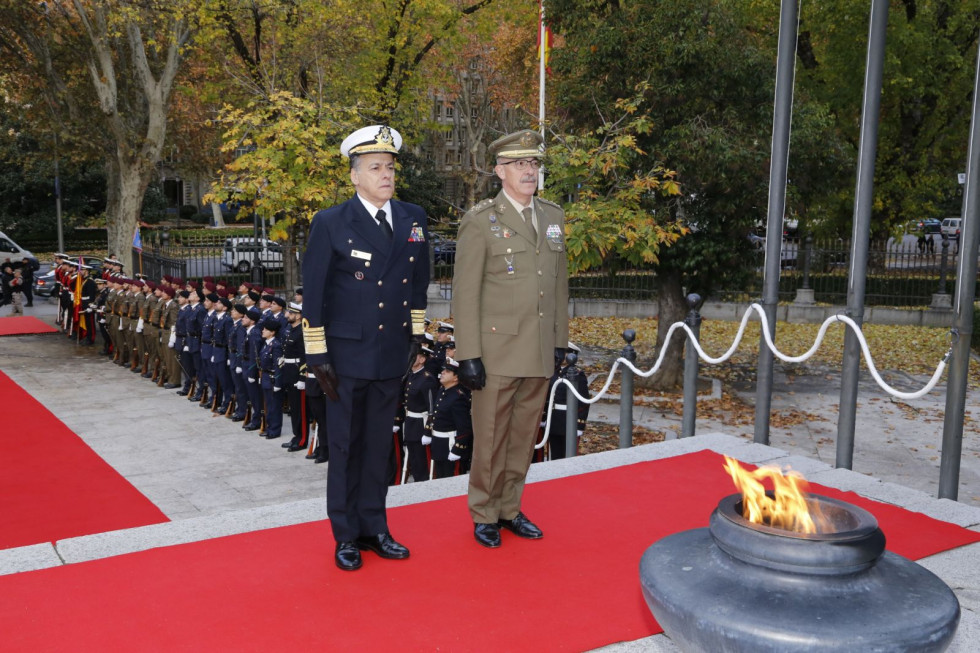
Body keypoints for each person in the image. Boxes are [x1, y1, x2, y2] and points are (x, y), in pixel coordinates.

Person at [302, 124, 430, 571]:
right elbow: (313, 292)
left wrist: (416, 336)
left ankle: (375, 527)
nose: (385, 174)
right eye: (375, 167)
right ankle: (345, 536)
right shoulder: (331, 222)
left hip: (391, 352)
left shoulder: (413, 217)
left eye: (390, 167)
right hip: (345, 356)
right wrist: (317, 355)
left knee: (379, 445)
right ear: (355, 176)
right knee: (345, 446)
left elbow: (418, 283)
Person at [452, 129, 570, 548]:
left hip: (537, 348)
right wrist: (468, 354)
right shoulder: (482, 221)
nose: (529, 171)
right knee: (490, 436)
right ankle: (484, 513)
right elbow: (465, 294)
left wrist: (559, 340)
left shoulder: (552, 216)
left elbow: (558, 286)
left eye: (534, 164)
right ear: (500, 171)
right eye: (520, 164)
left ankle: (509, 508)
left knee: (523, 437)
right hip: (497, 350)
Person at [427, 357, 473, 479]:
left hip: (450, 445)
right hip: (439, 444)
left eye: (447, 371)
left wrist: (458, 449)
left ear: (456, 377)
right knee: (440, 479)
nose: (442, 372)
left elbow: (464, 427)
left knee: (452, 479)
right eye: (443, 370)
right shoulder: (443, 390)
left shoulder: (458, 397)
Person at [544, 342, 591, 460]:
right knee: (555, 455)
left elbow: (584, 401)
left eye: (562, 352)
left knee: (568, 457)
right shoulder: (554, 372)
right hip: (554, 421)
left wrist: (579, 425)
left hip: (569, 421)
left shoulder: (578, 375)